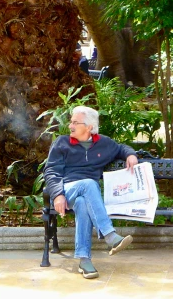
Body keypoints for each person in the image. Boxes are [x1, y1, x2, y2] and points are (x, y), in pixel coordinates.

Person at [44, 106, 137, 279]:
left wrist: (130, 155)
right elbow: (51, 171)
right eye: (71, 122)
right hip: (66, 190)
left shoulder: (104, 144)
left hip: (86, 195)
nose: (70, 126)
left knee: (82, 203)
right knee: (88, 184)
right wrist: (57, 194)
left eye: (75, 122)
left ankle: (84, 260)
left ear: (89, 127)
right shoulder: (62, 143)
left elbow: (121, 148)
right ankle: (110, 236)